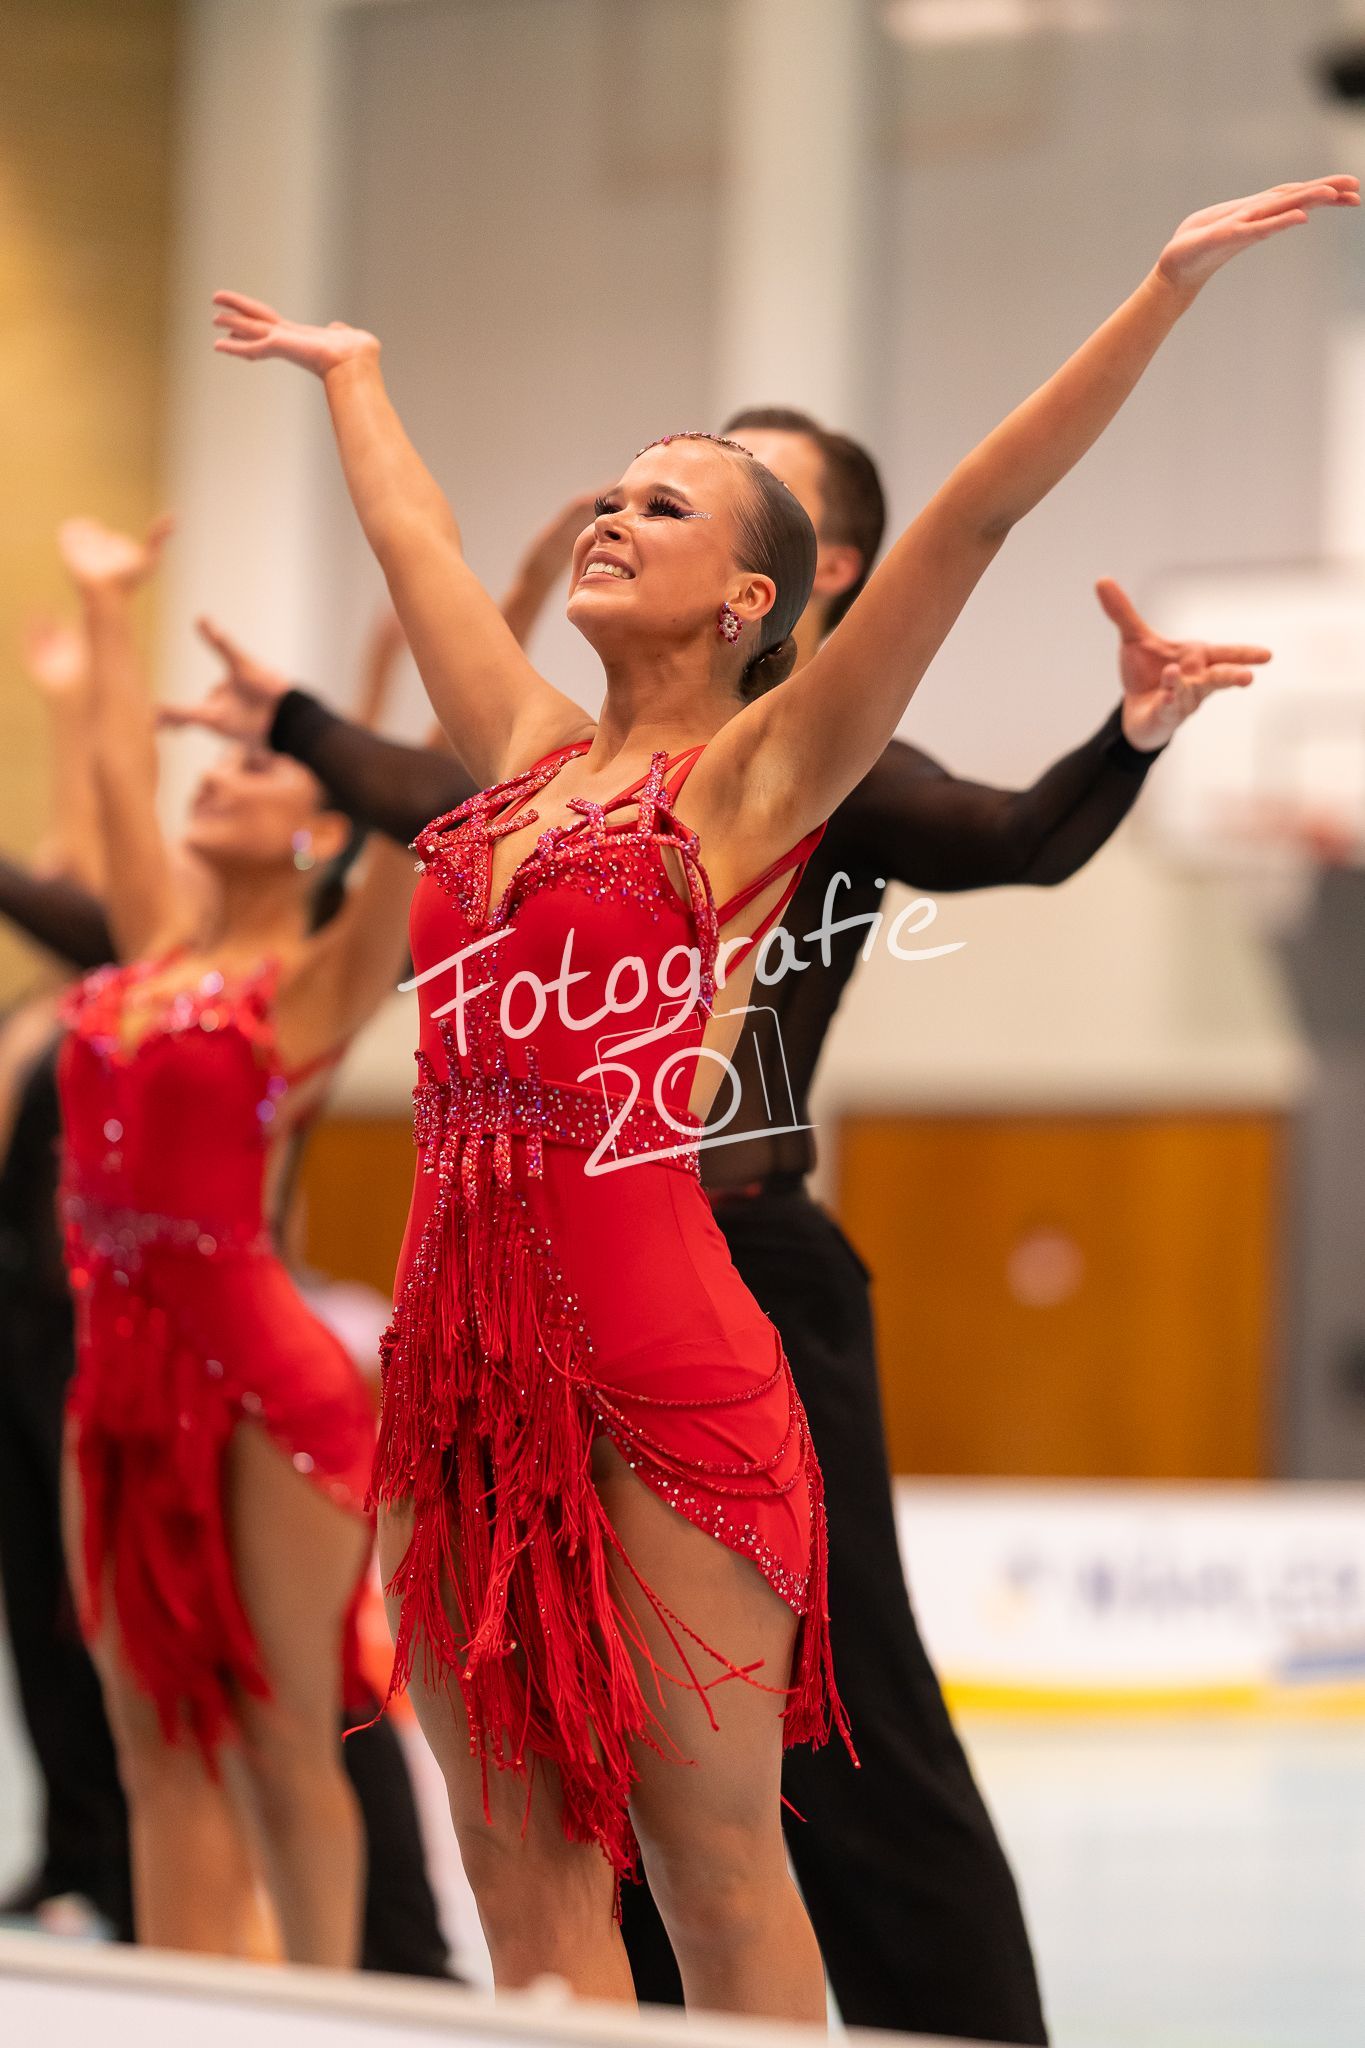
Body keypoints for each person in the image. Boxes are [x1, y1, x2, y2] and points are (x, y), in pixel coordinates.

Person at [211, 173, 1356, 2024]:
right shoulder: (515, 759)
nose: (613, 515)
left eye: (661, 505)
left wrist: (1161, 288)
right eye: (611, 492)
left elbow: (968, 519)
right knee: (519, 1874)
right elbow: (412, 538)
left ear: (756, 597)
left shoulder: (758, 782)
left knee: (714, 1860)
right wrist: (352, 376)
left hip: (664, 1363)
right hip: (456, 1367)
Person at [0, 626, 456, 1977]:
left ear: (320, 831)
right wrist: (100, 646)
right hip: (110, 1383)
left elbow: (415, 817)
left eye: (259, 772)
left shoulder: (308, 986)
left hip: (261, 1386)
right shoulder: (144, 961)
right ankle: (181, 2008)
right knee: (150, 1735)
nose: (216, 777)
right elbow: (117, 791)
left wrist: (467, 617)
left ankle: (320, 2006)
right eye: (218, 767)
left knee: (277, 1728)